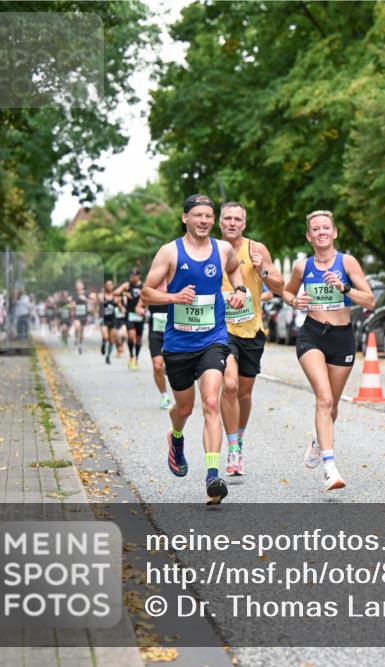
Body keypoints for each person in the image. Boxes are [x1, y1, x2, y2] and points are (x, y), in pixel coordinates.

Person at [140, 194, 247, 505]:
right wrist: (174, 298)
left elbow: (234, 269)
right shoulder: (170, 252)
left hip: (213, 338)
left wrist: (239, 289)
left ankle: (213, 475)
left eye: (208, 216)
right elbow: (147, 293)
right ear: (184, 217)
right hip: (178, 344)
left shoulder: (223, 249)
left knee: (211, 402)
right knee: (185, 409)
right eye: (198, 215)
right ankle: (176, 438)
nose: (204, 221)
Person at [281, 210, 374, 491]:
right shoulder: (302, 266)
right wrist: (295, 302)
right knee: (323, 398)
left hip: (342, 337)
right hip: (312, 336)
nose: (321, 232)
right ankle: (330, 469)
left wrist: (344, 287)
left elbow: (369, 300)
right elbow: (286, 293)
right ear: (309, 236)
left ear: (334, 233)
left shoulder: (348, 262)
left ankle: (317, 442)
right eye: (315, 229)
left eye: (326, 228)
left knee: (331, 405)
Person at [216, 202, 285, 476]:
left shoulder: (256, 249)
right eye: (227, 219)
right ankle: (232, 447)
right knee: (229, 386)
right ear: (220, 223)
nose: (232, 223)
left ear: (243, 223)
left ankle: (239, 437)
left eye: (237, 219)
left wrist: (262, 270)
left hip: (251, 328)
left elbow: (279, 287)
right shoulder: (210, 250)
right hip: (220, 330)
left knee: (244, 393)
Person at [146, 281, 173, 409]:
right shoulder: (152, 287)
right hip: (156, 334)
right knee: (157, 366)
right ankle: (165, 396)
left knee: (176, 366)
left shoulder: (175, 284)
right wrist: (140, 309)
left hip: (173, 334)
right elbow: (140, 304)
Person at [114, 268, 146, 370]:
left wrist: (143, 296)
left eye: (134, 276)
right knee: (131, 336)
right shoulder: (127, 285)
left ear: (138, 276)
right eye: (131, 276)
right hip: (130, 314)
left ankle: (136, 357)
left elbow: (149, 295)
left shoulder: (143, 285)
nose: (132, 278)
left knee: (138, 339)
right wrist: (124, 293)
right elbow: (115, 292)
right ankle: (131, 356)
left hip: (140, 315)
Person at [99, 280, 119, 363]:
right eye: (107, 285)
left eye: (111, 285)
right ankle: (103, 345)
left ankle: (108, 356)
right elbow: (97, 303)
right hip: (104, 320)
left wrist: (122, 307)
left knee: (112, 340)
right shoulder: (101, 296)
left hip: (113, 320)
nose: (109, 286)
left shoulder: (115, 296)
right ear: (105, 286)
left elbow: (120, 305)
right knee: (106, 337)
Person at [72, 280, 89, 354]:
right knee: (77, 326)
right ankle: (76, 338)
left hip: (84, 315)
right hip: (77, 314)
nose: (78, 286)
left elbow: (92, 302)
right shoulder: (74, 295)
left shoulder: (87, 293)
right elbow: (72, 304)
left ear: (83, 286)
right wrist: (73, 305)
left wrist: (85, 299)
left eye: (79, 285)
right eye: (77, 285)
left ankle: (80, 346)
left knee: (81, 331)